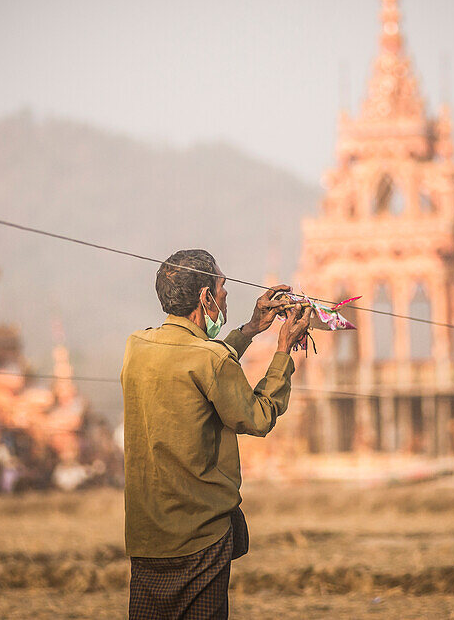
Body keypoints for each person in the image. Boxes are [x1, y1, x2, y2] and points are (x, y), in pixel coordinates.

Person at [121, 249, 312, 619]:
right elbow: (256, 418)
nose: (226, 295)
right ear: (206, 297)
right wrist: (283, 351)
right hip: (199, 533)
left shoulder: (136, 346)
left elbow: (201, 363)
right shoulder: (211, 360)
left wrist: (251, 329)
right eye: (222, 287)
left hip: (147, 534)